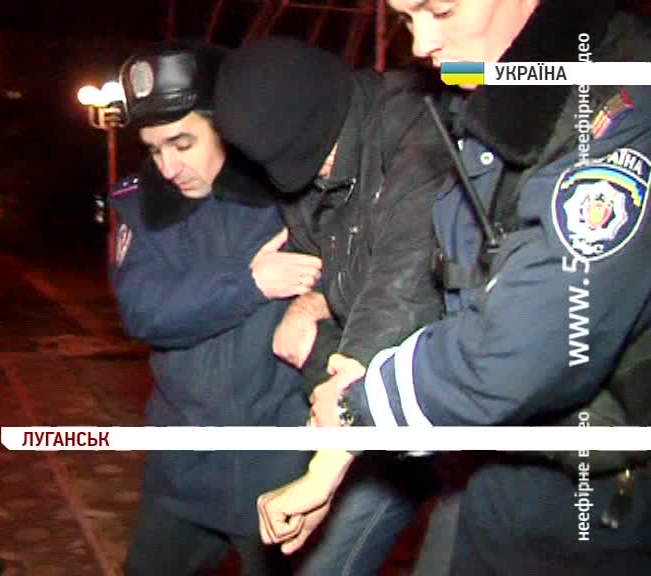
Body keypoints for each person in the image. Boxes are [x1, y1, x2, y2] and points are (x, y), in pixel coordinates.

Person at [254, 1, 651, 574]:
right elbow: (441, 285)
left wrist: (358, 408)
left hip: (610, 505)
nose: (420, 44)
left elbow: (520, 349)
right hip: (503, 471)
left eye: (440, 9)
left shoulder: (623, 102)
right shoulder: (483, 103)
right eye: (406, 18)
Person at [215, 37, 455, 575]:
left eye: (318, 157)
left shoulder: (416, 123)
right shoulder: (303, 179)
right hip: (380, 407)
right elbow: (328, 304)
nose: (315, 176)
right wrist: (312, 330)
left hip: (476, 415)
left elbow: (404, 279)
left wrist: (337, 427)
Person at [110, 40, 322, 576]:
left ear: (226, 127)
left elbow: (358, 284)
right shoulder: (142, 204)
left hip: (281, 465)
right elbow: (144, 311)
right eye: (154, 149)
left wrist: (311, 303)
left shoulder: (293, 191)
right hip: (183, 468)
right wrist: (250, 284)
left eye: (182, 143)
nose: (168, 166)